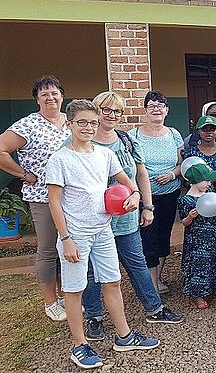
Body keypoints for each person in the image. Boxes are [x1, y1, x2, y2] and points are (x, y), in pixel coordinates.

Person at [47, 99, 159, 369]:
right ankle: (79, 345)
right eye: (82, 122)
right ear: (70, 124)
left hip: (103, 230)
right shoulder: (60, 159)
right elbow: (54, 202)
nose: (88, 127)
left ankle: (124, 336)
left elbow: (128, 182)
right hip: (75, 235)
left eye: (93, 123)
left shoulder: (104, 154)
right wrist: (66, 238)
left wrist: (135, 195)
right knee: (75, 290)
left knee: (112, 282)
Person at [82, 91, 182, 343]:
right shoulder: (84, 142)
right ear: (96, 112)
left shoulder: (126, 140)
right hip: (94, 221)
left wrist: (147, 206)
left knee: (137, 262)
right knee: (94, 271)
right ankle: (94, 318)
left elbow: (141, 174)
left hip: (126, 219)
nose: (111, 115)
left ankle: (155, 308)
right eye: (106, 110)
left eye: (117, 111)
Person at [0, 75, 70, 321]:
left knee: (67, 246)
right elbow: (1, 150)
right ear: (37, 99)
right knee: (49, 248)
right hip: (42, 196)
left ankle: (65, 295)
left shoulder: (70, 122)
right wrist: (22, 173)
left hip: (71, 197)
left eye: (54, 93)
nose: (50, 98)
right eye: (44, 94)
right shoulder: (28, 124)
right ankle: (50, 302)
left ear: (62, 95)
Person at [127, 91, 183, 294]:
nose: (156, 109)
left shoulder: (174, 134)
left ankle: (156, 279)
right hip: (143, 197)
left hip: (169, 193)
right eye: (152, 105)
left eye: (161, 105)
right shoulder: (134, 135)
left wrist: (172, 174)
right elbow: (130, 167)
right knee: (147, 238)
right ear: (145, 110)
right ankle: (150, 285)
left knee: (163, 237)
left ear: (166, 111)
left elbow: (180, 164)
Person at [178, 163, 216, 310]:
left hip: (214, 235)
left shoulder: (211, 193)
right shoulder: (185, 200)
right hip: (197, 240)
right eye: (206, 181)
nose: (209, 183)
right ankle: (199, 295)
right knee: (199, 265)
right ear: (195, 182)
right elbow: (184, 222)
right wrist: (190, 216)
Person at [183, 116, 216, 183]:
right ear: (198, 131)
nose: (208, 132)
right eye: (204, 129)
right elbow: (188, 179)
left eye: (212, 129)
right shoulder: (191, 153)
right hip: (199, 191)